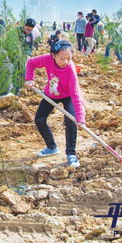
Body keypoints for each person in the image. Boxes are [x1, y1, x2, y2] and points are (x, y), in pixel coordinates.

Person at [24, 40, 85, 168]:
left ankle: (71, 154)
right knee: (39, 119)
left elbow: (76, 94)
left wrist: (80, 118)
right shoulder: (47, 59)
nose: (66, 61)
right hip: (52, 93)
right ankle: (51, 147)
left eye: (69, 58)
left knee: (70, 121)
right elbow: (31, 63)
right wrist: (29, 79)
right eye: (62, 58)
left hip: (68, 95)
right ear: (53, 55)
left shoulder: (70, 70)